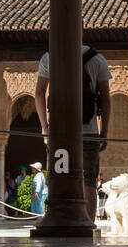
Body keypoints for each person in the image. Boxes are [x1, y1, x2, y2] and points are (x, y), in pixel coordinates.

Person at [34, 44, 111, 217]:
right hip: (89, 132)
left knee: (58, 177)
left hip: (60, 131)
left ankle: (57, 219)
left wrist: (45, 127)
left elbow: (39, 93)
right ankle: (89, 224)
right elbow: (105, 99)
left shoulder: (49, 57)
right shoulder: (97, 59)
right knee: (89, 181)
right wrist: (104, 132)